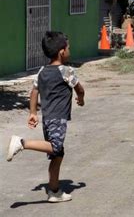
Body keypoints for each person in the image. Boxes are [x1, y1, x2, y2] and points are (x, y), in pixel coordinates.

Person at [6, 31, 85, 203]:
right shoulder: (67, 71)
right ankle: (21, 143)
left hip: (47, 118)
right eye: (68, 47)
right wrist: (81, 98)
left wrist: (33, 113)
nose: (70, 50)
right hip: (58, 118)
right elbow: (80, 88)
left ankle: (54, 191)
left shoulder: (42, 71)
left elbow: (34, 92)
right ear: (62, 52)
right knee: (56, 148)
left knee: (58, 154)